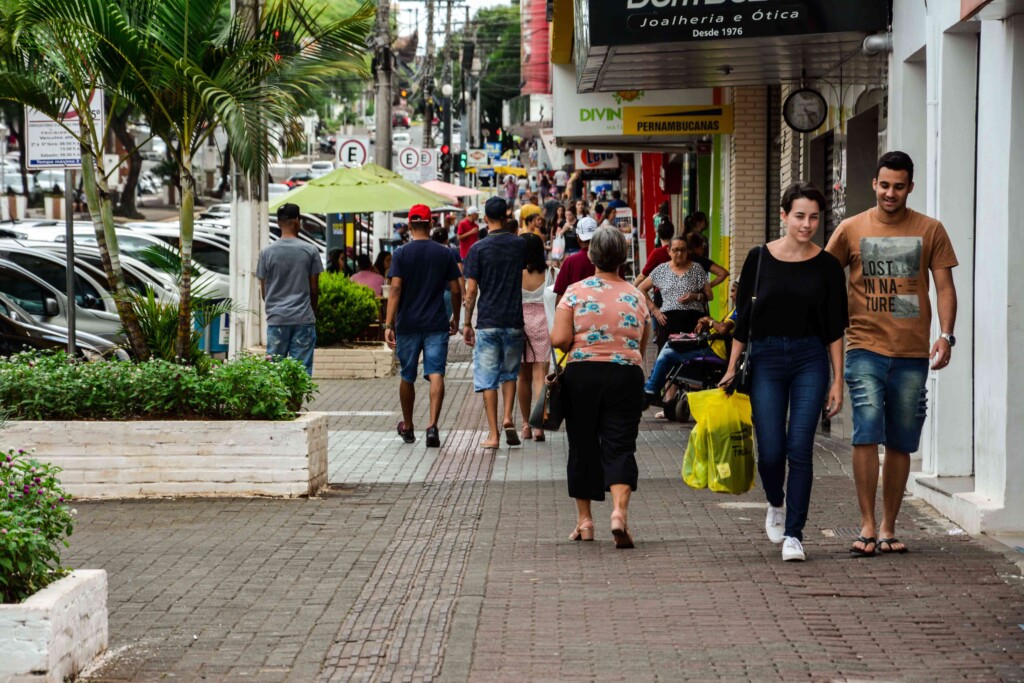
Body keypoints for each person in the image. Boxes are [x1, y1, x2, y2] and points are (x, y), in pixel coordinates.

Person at [825, 151, 958, 557]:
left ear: (910, 187)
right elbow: (825, 280)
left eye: (898, 186)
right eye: (884, 185)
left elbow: (945, 287)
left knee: (901, 441)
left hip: (912, 352)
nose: (890, 193)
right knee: (866, 433)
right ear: (874, 184)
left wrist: (947, 336)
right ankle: (866, 525)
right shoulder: (850, 229)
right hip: (864, 346)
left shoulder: (930, 229)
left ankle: (888, 526)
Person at [719, 181, 848, 563]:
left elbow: (834, 328)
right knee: (772, 450)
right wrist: (730, 370)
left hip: (811, 359)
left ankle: (795, 534)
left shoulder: (826, 266)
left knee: (800, 448)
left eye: (813, 217)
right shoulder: (759, 258)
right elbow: (743, 320)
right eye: (799, 216)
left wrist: (837, 379)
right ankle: (775, 500)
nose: (806, 225)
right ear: (783, 216)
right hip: (767, 359)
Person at [551, 227, 651, 549]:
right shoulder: (636, 295)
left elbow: (560, 340)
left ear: (592, 255)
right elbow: (641, 343)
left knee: (582, 444)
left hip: (582, 375)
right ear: (623, 258)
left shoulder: (574, 292)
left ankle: (585, 521)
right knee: (621, 444)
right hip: (626, 376)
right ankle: (619, 514)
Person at [384, 204, 463, 447]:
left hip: (407, 324)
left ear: (409, 225)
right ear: (430, 224)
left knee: (407, 375)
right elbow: (455, 289)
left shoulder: (401, 254)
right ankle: (432, 426)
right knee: (436, 373)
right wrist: (457, 318)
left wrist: (388, 324)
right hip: (436, 323)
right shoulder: (445, 253)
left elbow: (395, 288)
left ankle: (408, 426)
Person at [463, 197, 528, 449]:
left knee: (487, 378)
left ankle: (493, 434)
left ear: (485, 218)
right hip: (514, 319)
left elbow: (470, 292)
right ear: (507, 215)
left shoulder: (477, 249)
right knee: (509, 373)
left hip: (488, 320)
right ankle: (508, 417)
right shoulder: (519, 245)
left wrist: (467, 323)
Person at [643, 280, 738, 409]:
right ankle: (652, 388)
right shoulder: (736, 310)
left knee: (668, 353)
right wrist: (705, 323)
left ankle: (650, 390)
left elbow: (723, 329)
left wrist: (709, 320)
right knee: (670, 343)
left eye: (733, 291)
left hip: (714, 351)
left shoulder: (739, 312)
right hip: (709, 345)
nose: (731, 295)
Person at [257, 203, 324, 376]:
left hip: (277, 319)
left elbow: (264, 291)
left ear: (279, 223)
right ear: (297, 221)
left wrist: (276, 306)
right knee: (300, 373)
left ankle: (278, 403)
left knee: (274, 372)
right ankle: (294, 404)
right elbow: (314, 290)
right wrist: (312, 312)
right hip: (303, 319)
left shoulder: (266, 253)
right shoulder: (310, 250)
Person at [638, 235, 711, 350]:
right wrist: (655, 310)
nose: (679, 253)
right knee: (667, 357)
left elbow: (709, 296)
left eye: (683, 250)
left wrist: (694, 296)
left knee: (692, 358)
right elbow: (641, 288)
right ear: (669, 251)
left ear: (687, 251)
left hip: (693, 320)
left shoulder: (697, 269)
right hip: (668, 320)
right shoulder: (661, 270)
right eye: (675, 250)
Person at [516, 233, 554, 442]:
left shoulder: (515, 272)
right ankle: (538, 424)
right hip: (544, 325)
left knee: (523, 377)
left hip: (521, 325)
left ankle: (525, 424)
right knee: (540, 375)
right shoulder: (550, 272)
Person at [553, 216, 599, 303]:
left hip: (576, 313)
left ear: (578, 238)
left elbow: (560, 297)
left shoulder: (570, 262)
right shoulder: (610, 259)